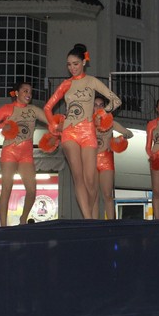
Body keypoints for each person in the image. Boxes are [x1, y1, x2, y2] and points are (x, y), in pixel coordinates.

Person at [44, 43, 122, 219]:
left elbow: (116, 101)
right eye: (69, 64)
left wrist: (102, 113)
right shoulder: (66, 84)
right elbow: (48, 107)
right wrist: (54, 125)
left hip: (88, 132)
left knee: (91, 181)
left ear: (84, 62)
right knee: (78, 177)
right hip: (69, 132)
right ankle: (87, 219)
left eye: (76, 64)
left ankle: (91, 217)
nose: (72, 68)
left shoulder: (92, 81)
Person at [0, 81, 48, 226]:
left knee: (32, 190)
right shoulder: (7, 108)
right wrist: (3, 125)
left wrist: (58, 127)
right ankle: (3, 225)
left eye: (30, 91)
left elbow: (50, 121)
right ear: (17, 93)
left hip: (26, 154)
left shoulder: (34, 110)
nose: (29, 94)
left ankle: (23, 219)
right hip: (10, 152)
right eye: (25, 91)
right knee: (6, 188)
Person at [93, 96, 133, 219]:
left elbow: (129, 133)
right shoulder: (87, 122)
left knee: (107, 195)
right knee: (93, 196)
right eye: (95, 105)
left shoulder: (111, 122)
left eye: (101, 105)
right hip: (90, 160)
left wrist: (120, 139)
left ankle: (111, 224)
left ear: (105, 108)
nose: (98, 108)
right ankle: (93, 225)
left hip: (106, 159)